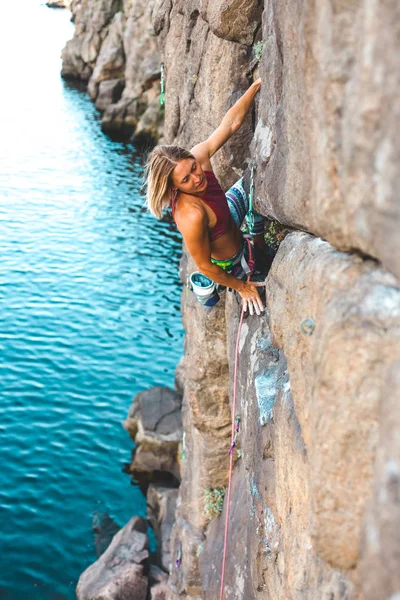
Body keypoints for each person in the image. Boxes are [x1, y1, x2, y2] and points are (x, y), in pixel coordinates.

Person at [145, 78, 266, 316]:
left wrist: (255, 86)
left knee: (256, 183)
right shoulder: (191, 216)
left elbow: (229, 125)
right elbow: (204, 266)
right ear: (174, 188)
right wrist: (242, 287)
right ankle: (255, 258)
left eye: (193, 168)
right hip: (231, 259)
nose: (196, 178)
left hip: (227, 212)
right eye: (186, 180)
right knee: (256, 287)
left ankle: (260, 246)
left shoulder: (199, 156)